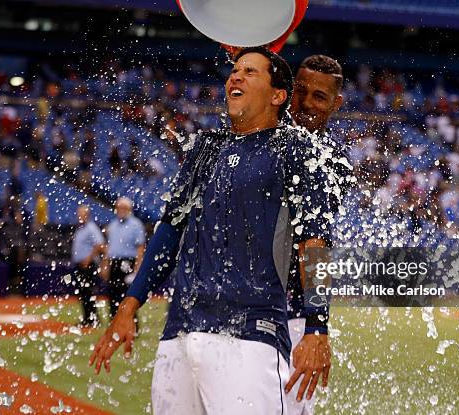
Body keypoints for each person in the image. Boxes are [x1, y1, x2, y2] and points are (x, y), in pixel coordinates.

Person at [90, 47, 336, 414]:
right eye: (234, 70)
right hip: (180, 334)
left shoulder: (298, 149)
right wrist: (129, 305)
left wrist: (317, 327)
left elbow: (314, 244)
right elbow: (170, 231)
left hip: (251, 336)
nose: (235, 77)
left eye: (250, 72)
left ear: (277, 95)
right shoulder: (206, 148)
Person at [285, 54, 346, 414]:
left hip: (291, 312)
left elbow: (316, 244)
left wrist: (317, 326)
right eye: (300, 91)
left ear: (336, 103)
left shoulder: (332, 160)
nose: (306, 103)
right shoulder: (267, 136)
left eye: (319, 96)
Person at [102, 197, 145, 319]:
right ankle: (114, 323)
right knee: (112, 293)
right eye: (119, 207)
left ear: (129, 209)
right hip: (114, 262)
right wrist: (105, 264)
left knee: (127, 295)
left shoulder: (136, 224)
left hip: (128, 262)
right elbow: (109, 247)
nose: (121, 210)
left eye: (124, 208)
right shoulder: (113, 224)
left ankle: (131, 324)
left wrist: (137, 267)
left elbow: (140, 247)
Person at [71, 205, 105, 327]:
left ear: (87, 214)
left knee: (88, 291)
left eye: (82, 213)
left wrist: (88, 258)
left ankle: (93, 319)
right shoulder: (80, 228)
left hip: (88, 265)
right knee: (83, 292)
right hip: (80, 264)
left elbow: (100, 244)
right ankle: (87, 318)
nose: (80, 216)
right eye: (79, 213)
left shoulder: (91, 228)